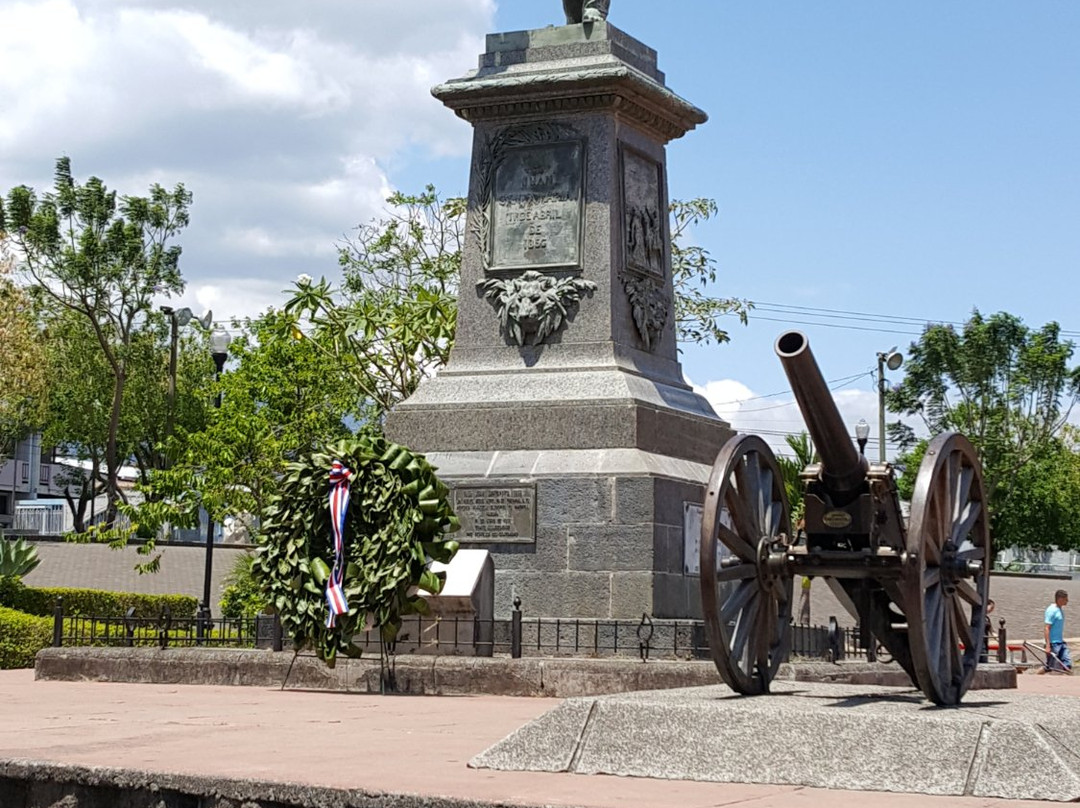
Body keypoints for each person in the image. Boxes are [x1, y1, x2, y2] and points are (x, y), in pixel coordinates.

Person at [1041, 589, 1072, 674]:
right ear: (1060, 599)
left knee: (1067, 663)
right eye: (1066, 599)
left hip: (1060, 642)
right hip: (1053, 644)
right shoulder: (1052, 610)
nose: (1067, 601)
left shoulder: (1060, 609)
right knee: (1049, 667)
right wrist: (1047, 645)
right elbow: (1047, 628)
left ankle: (1067, 680)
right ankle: (1034, 677)